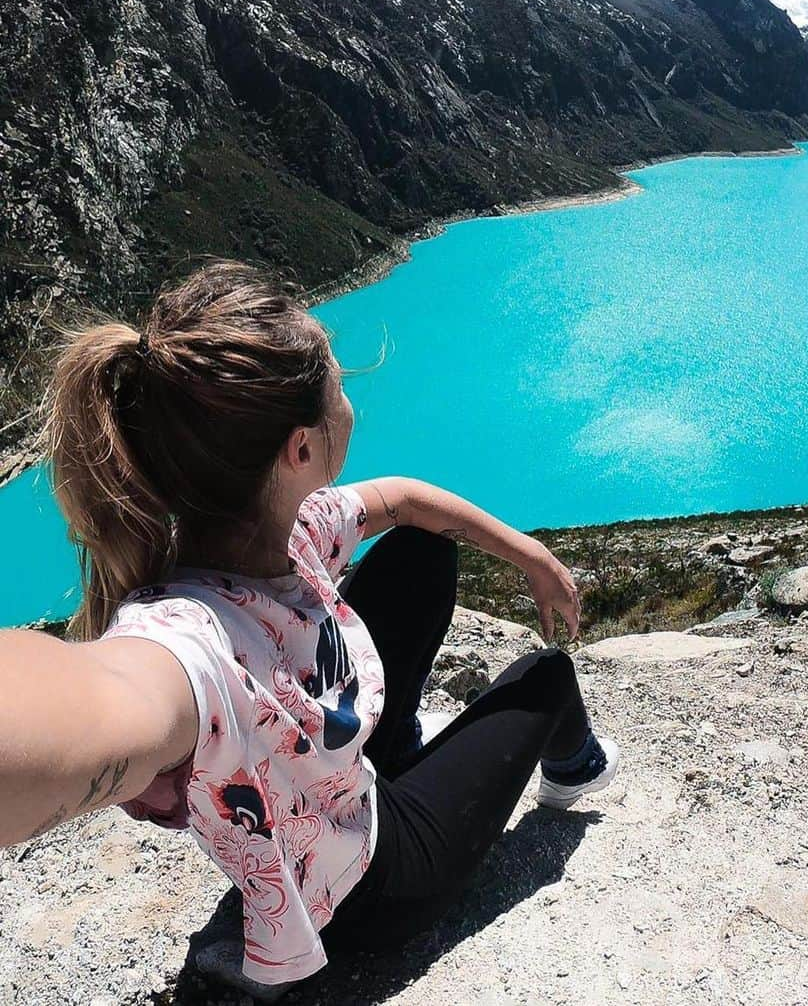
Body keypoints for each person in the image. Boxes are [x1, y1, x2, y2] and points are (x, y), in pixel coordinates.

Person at [0, 261, 618, 995]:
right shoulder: (184, 643)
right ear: (300, 448)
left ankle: (394, 748)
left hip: (326, 798)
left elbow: (404, 500)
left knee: (420, 553)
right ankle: (578, 765)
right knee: (544, 680)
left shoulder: (275, 533)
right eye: (340, 387)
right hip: (375, 884)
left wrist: (528, 554)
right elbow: (99, 702)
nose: (349, 404)